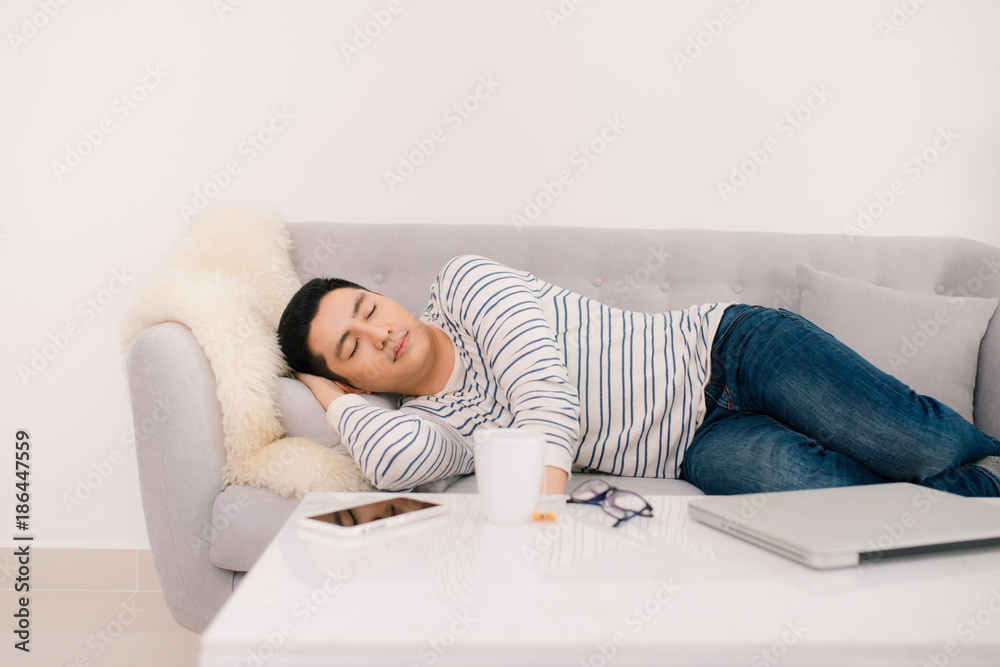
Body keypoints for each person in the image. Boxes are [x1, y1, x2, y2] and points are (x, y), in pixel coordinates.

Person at [277, 254, 1000, 498]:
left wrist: (539, 516)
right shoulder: (432, 423)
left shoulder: (465, 285)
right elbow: (396, 462)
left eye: (369, 308)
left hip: (725, 349)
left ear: (385, 293)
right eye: (352, 346)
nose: (382, 332)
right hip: (695, 446)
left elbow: (547, 399)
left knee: (917, 446)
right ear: (357, 378)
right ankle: (984, 495)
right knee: (831, 498)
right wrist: (328, 396)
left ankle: (978, 464)